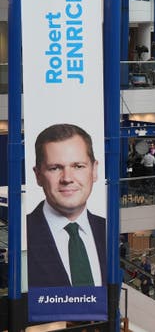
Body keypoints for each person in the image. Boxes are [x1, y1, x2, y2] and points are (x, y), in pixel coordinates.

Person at [27, 123, 107, 288]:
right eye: (55, 168)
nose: (67, 178)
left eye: (78, 166)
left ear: (94, 170)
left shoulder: (107, 230)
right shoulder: (22, 233)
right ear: (38, 175)